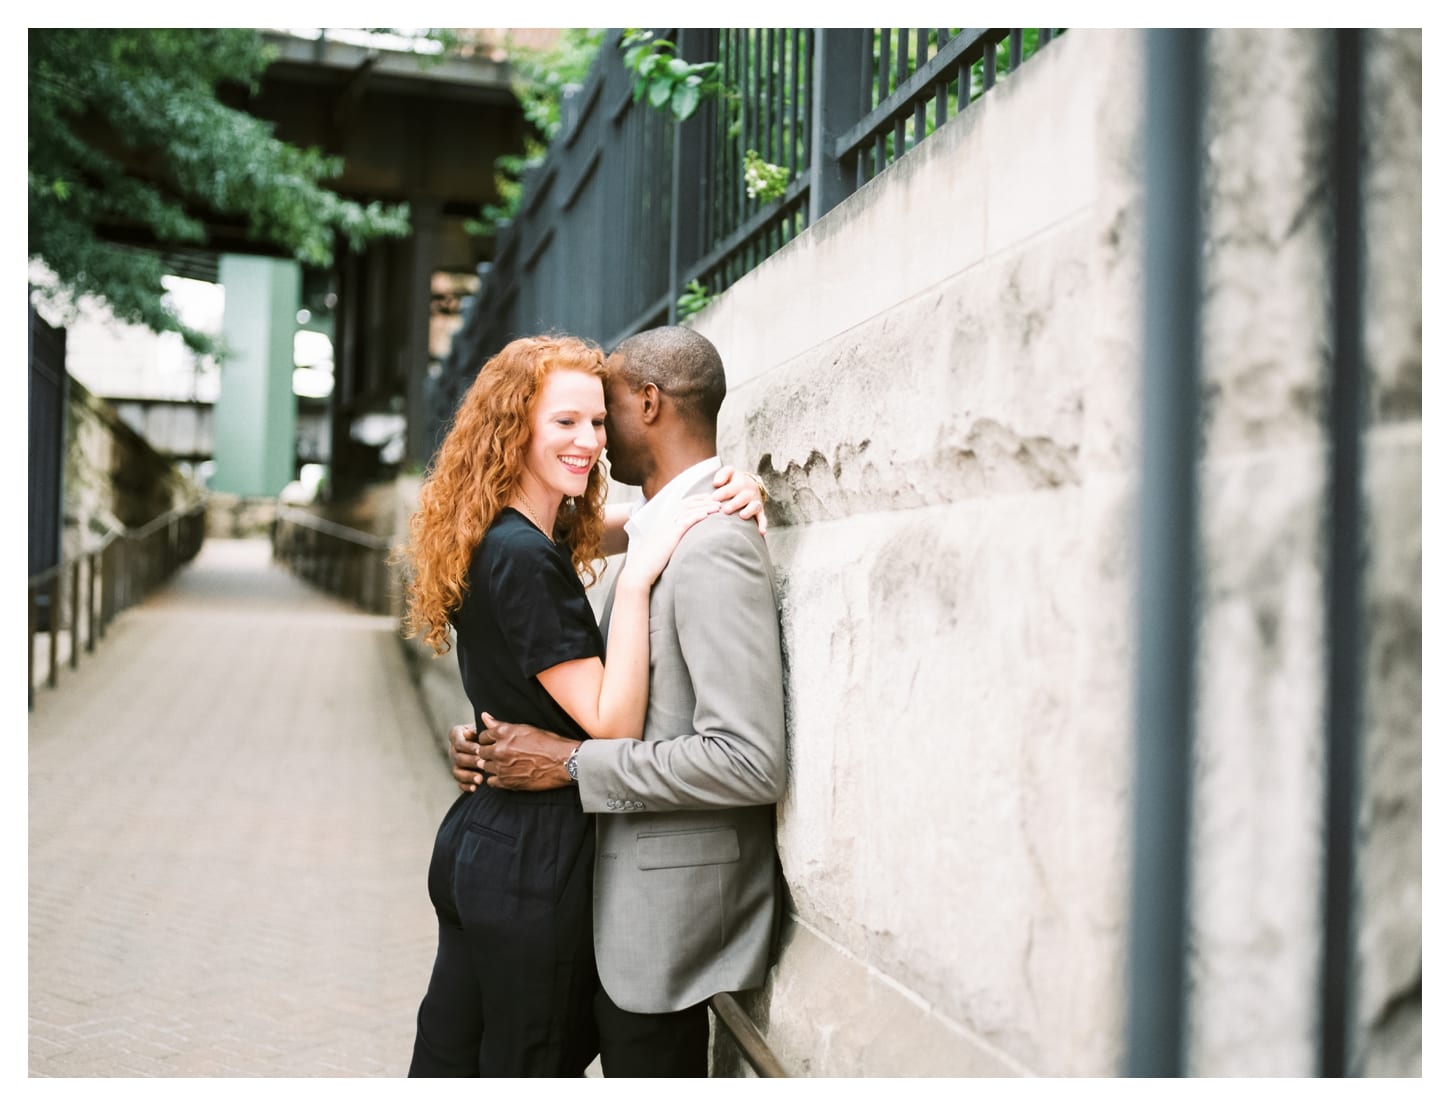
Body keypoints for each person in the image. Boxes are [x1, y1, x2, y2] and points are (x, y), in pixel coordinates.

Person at [401, 334, 765, 1077]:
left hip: (487, 836)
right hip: (525, 859)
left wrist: (725, 491)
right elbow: (611, 724)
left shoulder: (510, 530)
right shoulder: (524, 554)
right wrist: (633, 585)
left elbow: (615, 529)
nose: (591, 442)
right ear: (516, 427)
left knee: (451, 1058)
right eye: (566, 422)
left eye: (598, 421)